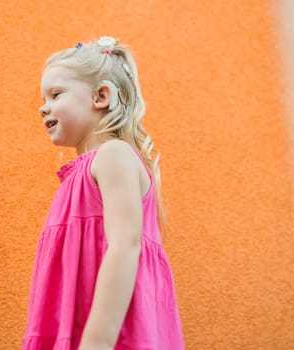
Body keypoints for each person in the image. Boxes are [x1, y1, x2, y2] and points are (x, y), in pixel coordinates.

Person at [22, 36, 184, 350]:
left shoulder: (114, 156)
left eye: (56, 94)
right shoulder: (75, 177)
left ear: (101, 96)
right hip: (75, 327)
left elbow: (125, 246)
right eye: (43, 98)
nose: (43, 107)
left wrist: (96, 342)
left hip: (112, 335)